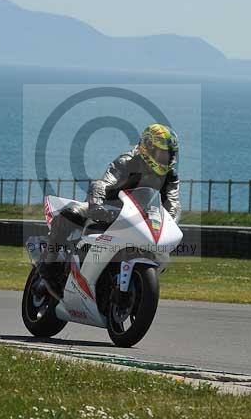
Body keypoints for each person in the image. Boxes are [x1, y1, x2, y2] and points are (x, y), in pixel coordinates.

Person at [38, 123, 180, 295]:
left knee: (160, 253)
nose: (166, 159)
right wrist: (97, 205)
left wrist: (169, 223)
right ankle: (48, 265)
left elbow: (172, 203)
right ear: (148, 147)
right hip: (107, 209)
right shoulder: (127, 161)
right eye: (162, 153)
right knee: (69, 214)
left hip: (139, 219)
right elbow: (103, 183)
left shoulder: (169, 175)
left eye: (169, 155)